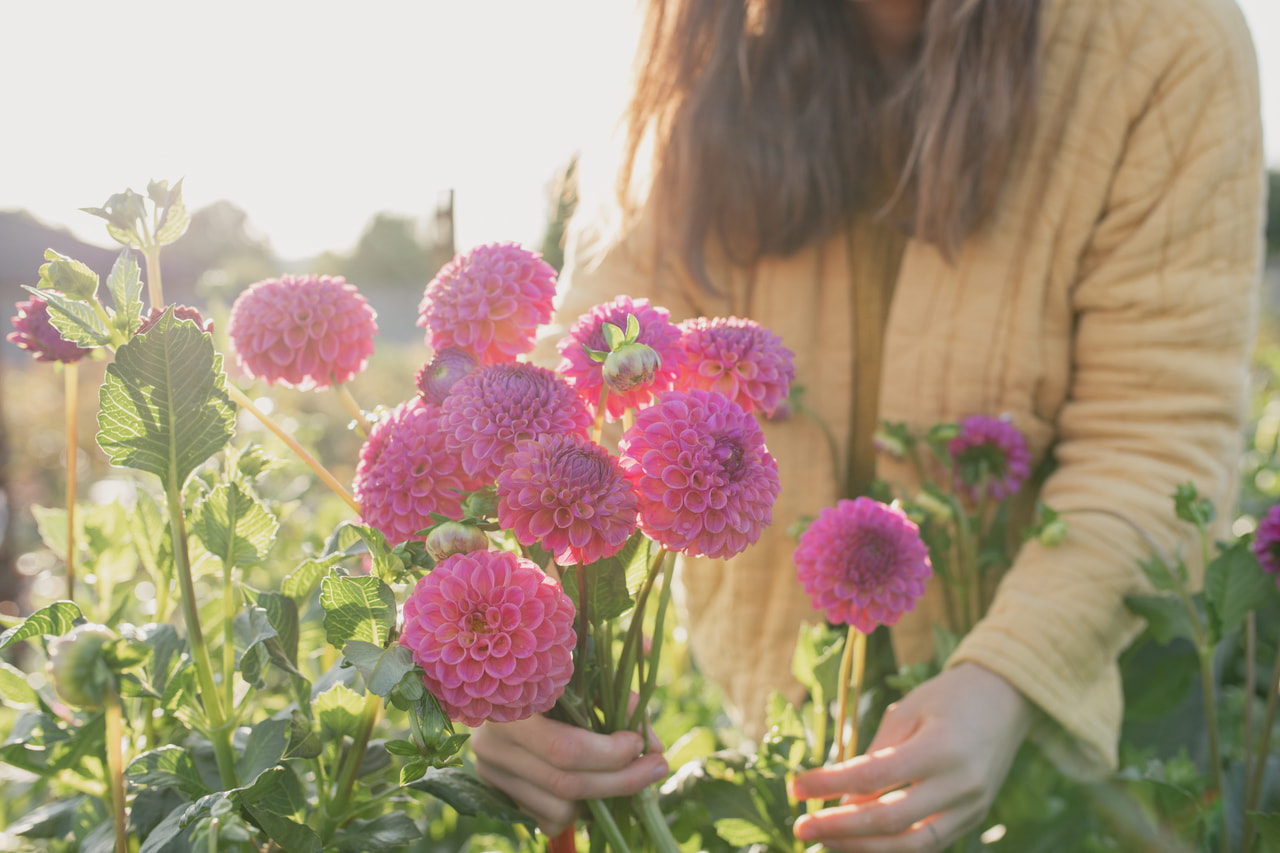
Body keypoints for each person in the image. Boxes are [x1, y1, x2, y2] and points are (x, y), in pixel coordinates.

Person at [471, 0, 1267, 849]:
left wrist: (1007, 678)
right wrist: (519, 660)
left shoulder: (1167, 37)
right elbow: (586, 392)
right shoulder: (700, 35)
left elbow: (1156, 434)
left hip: (1072, 736)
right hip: (775, 737)